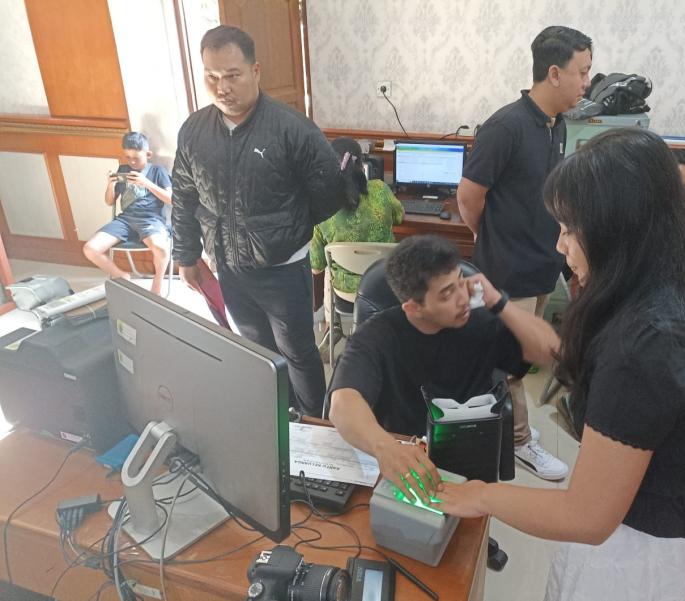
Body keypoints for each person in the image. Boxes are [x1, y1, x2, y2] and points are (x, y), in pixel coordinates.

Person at [438, 128, 685, 600]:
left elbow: (586, 516)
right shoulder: (680, 293)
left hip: (645, 568)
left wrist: (478, 495)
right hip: (682, 547)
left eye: (569, 229)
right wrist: (500, 303)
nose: (560, 246)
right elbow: (562, 355)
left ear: (616, 230)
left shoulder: (645, 346)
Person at [171, 25, 345, 416]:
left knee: (297, 351)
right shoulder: (195, 131)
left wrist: (287, 227)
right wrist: (186, 256)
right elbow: (183, 195)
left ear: (255, 71)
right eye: (212, 77)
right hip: (229, 264)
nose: (222, 88)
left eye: (232, 75)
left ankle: (315, 426)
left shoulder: (291, 128)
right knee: (257, 351)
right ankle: (279, 419)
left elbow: (330, 190)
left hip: (283, 267)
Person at [328, 234, 567, 500]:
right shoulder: (379, 333)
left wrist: (499, 301)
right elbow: (342, 403)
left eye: (460, 283)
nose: (462, 299)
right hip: (404, 451)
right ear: (413, 308)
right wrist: (384, 447)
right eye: (446, 294)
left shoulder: (479, 320)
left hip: (467, 449)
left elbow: (550, 350)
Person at [457, 26, 592, 477]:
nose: (586, 83)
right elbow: (468, 197)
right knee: (508, 365)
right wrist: (492, 238)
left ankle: (509, 428)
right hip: (507, 269)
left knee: (526, 357)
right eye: (581, 72)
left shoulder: (557, 124)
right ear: (554, 73)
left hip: (541, 265)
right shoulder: (506, 126)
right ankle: (517, 442)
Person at [310, 137, 404, 362]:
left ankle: (332, 327)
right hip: (383, 285)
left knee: (329, 263)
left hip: (345, 292)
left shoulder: (321, 206)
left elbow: (316, 267)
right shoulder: (380, 190)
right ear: (363, 164)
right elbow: (400, 217)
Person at [83, 132, 172, 295]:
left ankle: (156, 288)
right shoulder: (123, 170)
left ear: (148, 154)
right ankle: (121, 275)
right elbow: (109, 201)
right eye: (128, 157)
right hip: (125, 220)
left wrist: (147, 183)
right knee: (90, 249)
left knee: (161, 249)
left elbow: (171, 199)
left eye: (136, 158)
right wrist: (110, 185)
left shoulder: (157, 171)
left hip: (150, 220)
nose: (132, 162)